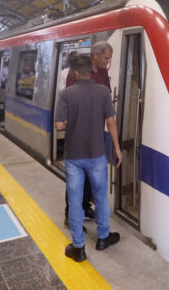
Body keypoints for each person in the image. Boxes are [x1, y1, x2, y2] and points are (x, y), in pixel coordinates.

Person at [56, 55, 123, 263]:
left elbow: (59, 125)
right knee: (100, 197)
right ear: (90, 71)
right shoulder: (103, 92)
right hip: (96, 155)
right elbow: (111, 122)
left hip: (74, 157)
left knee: (75, 201)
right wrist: (117, 148)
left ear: (75, 72)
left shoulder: (66, 94)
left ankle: (78, 248)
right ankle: (103, 238)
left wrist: (72, 122)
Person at [64, 42, 114, 225]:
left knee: (90, 177)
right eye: (106, 58)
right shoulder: (77, 71)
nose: (107, 62)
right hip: (78, 134)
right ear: (95, 55)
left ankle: (85, 207)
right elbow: (69, 101)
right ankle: (70, 215)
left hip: (96, 132)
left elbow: (106, 96)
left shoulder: (103, 73)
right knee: (76, 179)